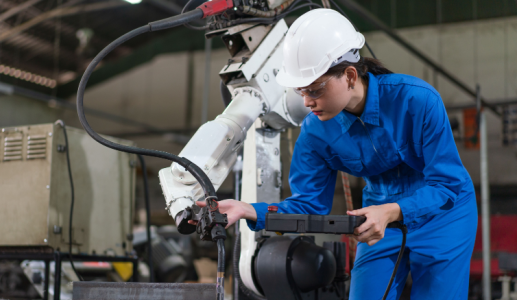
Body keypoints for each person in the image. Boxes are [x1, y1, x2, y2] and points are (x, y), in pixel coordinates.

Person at [195, 8, 477, 299]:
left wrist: (392, 211)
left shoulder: (417, 101)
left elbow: (447, 184)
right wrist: (248, 210)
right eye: (300, 92)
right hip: (377, 219)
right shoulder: (315, 133)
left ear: (350, 76)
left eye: (314, 90)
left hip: (443, 216)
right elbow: (309, 203)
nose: (307, 102)